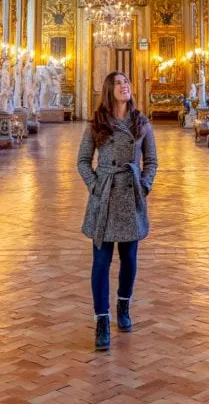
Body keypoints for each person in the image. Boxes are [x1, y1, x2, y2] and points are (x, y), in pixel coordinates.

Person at [77, 71, 158, 351]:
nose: (126, 87)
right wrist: (95, 186)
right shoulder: (97, 123)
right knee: (101, 261)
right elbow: (83, 161)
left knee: (129, 258)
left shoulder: (141, 123)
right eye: (120, 83)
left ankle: (123, 306)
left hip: (130, 195)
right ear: (109, 89)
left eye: (128, 83)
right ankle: (102, 320)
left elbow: (153, 161)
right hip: (105, 196)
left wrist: (144, 186)